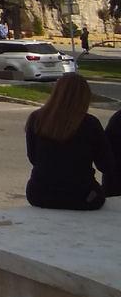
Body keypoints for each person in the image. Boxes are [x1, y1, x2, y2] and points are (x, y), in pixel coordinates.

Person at [24, 73, 114, 210]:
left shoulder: (36, 118)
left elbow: (33, 158)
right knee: (97, 195)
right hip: (81, 196)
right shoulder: (90, 123)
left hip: (39, 193)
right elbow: (105, 165)